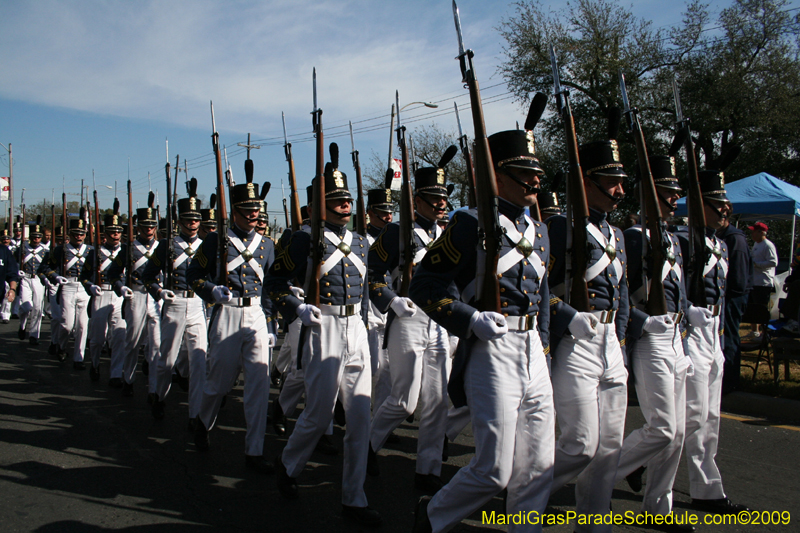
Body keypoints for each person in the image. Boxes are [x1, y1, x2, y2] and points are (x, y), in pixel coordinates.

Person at [409, 129, 555, 533]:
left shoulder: (539, 230)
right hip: (492, 350)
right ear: (498, 175)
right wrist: (470, 319)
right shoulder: (468, 223)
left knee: (540, 463)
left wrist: (543, 345)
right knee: (494, 469)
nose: (536, 180)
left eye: (537, 172)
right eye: (525, 172)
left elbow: (543, 296)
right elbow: (425, 285)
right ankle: (433, 515)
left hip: (532, 349)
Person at [266, 146, 379, 526]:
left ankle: (354, 498)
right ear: (318, 206)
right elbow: (274, 284)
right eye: (336, 200)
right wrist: (296, 308)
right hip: (322, 325)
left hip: (356, 328)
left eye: (347, 199)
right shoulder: (302, 240)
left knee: (360, 419)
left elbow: (367, 289)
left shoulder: (361, 241)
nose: (345, 205)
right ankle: (288, 463)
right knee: (317, 414)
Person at [546, 138, 630, 533]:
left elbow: (622, 295)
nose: (620, 190)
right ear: (587, 182)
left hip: (610, 342)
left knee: (610, 447)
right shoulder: (559, 228)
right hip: (576, 342)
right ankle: (523, 490)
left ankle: (594, 526)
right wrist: (567, 316)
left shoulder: (616, 234)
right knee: (580, 444)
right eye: (612, 182)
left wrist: (621, 341)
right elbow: (535, 290)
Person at [614, 155, 693, 529]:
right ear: (648, 195)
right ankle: (597, 475)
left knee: (677, 434)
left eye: (676, 193)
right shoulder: (634, 238)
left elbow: (680, 292)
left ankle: (659, 507)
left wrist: (685, 328)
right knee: (662, 427)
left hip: (676, 338)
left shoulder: (672, 238)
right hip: (651, 340)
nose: (674, 199)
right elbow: (619, 295)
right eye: (666, 192)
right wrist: (644, 323)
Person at [368, 160, 452, 493]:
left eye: (444, 198)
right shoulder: (395, 232)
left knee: (438, 400)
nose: (441, 204)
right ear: (417, 200)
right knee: (404, 400)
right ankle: (366, 446)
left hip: (440, 320)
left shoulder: (448, 233)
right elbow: (373, 274)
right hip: (409, 319)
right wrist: (390, 300)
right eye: (434, 198)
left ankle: (428, 469)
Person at [187, 172, 276, 474]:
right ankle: (203, 421)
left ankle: (255, 450)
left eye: (256, 209)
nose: (253, 214)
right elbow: (194, 275)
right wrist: (211, 290)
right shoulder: (216, 240)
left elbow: (271, 287)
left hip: (256, 315)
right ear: (234, 211)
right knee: (219, 383)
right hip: (227, 313)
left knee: (259, 385)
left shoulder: (267, 244)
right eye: (247, 209)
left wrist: (272, 324)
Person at [682, 168, 750, 515]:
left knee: (709, 416)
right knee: (690, 417)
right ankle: (630, 464)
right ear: (699, 205)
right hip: (689, 333)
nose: (725, 210)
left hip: (713, 332)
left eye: (726, 204)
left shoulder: (720, 245)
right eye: (716, 203)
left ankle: (707, 490)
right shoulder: (683, 241)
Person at [145, 189, 207, 427]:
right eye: (188, 219)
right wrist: (160, 292)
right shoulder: (167, 245)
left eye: (196, 219)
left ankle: (196, 414)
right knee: (167, 360)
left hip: (197, 304)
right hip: (174, 302)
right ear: (179, 221)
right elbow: (149, 276)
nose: (192, 224)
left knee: (199, 362)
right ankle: (159, 396)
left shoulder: (206, 245)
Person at [108, 200, 161, 398]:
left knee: (156, 345)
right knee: (132, 342)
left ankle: (154, 388)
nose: (149, 229)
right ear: (138, 227)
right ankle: (128, 379)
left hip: (157, 296)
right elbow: (113, 273)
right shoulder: (129, 248)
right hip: (136, 295)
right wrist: (121, 287)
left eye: (152, 225)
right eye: (145, 226)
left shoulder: (161, 247)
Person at [81, 208, 127, 385]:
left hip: (120, 295)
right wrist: (90, 286)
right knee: (97, 338)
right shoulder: (95, 252)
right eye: (112, 231)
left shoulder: (126, 251)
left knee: (119, 336)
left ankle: (116, 374)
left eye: (118, 231)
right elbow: (84, 276)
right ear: (105, 233)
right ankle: (95, 363)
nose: (115, 234)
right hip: (101, 293)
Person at [42, 216, 92, 366]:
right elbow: (46, 268)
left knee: (82, 326)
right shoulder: (60, 250)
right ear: (70, 234)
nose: (79, 236)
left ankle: (79, 358)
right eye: (76, 233)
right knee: (67, 325)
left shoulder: (90, 250)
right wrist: (56, 277)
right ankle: (62, 346)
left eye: (82, 233)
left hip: (84, 287)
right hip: (67, 286)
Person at [364, 188, 394, 417]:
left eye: (390, 211)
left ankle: (379, 416)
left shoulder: (395, 239)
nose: (388, 216)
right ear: (370, 213)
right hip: (367, 309)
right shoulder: (361, 240)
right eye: (383, 212)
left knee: (386, 368)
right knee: (366, 366)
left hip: (391, 308)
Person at [717, 205, 752, 394]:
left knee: (729, 337)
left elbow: (738, 277)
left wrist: (728, 294)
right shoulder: (722, 236)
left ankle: (730, 381)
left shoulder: (734, 238)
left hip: (733, 297)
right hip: (727, 295)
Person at [18, 219, 48, 345]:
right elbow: (15, 261)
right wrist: (18, 270)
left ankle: (34, 334)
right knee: (25, 307)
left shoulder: (45, 251)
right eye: (34, 237)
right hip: (25, 278)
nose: (36, 239)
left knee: (37, 308)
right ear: (30, 237)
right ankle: (22, 325)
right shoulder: (23, 248)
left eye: (39, 237)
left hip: (38, 279)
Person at [746, 221, 777, 338]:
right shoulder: (756, 244)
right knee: (752, 307)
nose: (752, 234)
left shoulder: (768, 245)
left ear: (761, 233)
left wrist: (756, 264)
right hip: (754, 281)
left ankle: (764, 334)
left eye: (754, 232)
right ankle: (755, 331)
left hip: (763, 282)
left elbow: (773, 262)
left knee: (761, 309)